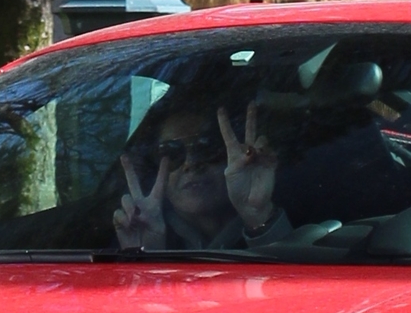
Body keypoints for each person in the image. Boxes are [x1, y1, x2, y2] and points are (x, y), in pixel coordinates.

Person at [113, 98, 287, 250]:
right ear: (154, 167)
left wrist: (259, 216)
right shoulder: (133, 230)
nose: (191, 163)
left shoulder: (301, 217)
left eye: (206, 147)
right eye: (171, 153)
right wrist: (145, 254)